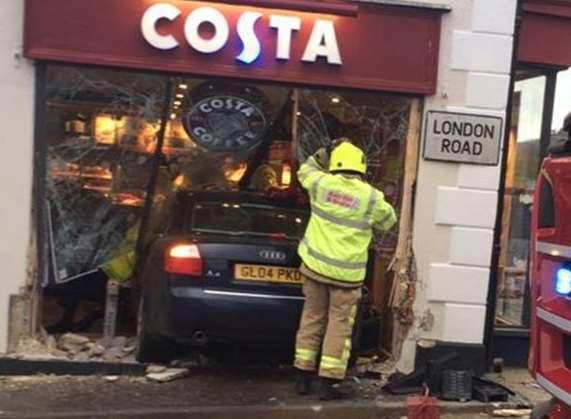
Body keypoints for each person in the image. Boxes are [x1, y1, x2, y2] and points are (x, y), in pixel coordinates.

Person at [293, 139, 397, 401]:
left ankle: (302, 376)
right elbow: (388, 221)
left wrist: (322, 153)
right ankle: (328, 382)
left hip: (315, 269)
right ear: (361, 166)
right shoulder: (371, 197)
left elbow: (304, 170)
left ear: (334, 163)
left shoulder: (321, 183)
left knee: (312, 318)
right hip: (346, 277)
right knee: (339, 326)